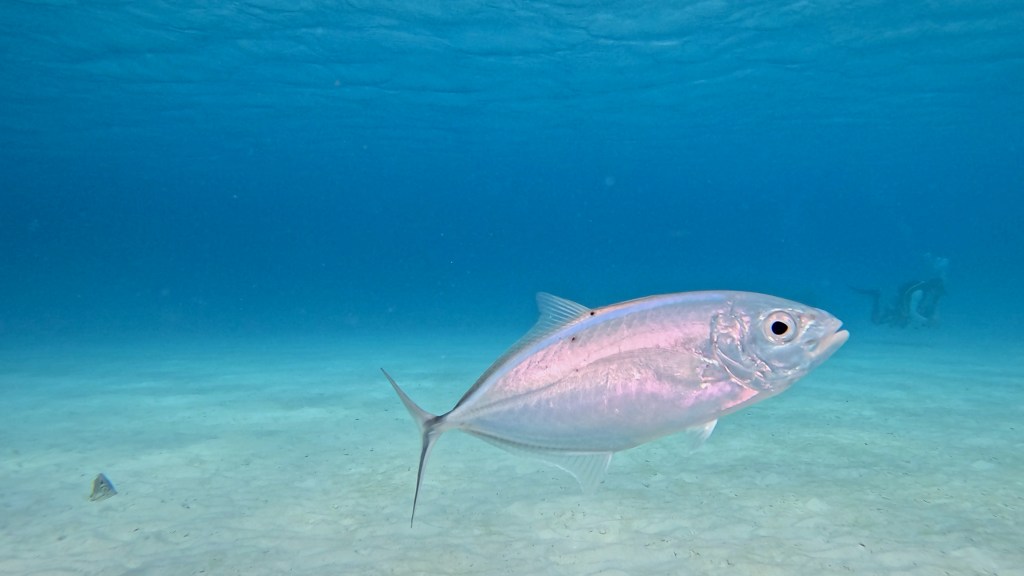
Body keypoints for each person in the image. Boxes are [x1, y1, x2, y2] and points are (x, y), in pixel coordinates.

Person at [853, 254, 948, 327]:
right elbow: (911, 312)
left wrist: (934, 319)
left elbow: (934, 311)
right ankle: (876, 296)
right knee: (877, 321)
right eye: (939, 290)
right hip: (900, 307)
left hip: (909, 311)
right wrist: (927, 321)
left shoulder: (934, 295)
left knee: (902, 323)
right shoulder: (918, 293)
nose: (939, 293)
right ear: (933, 289)